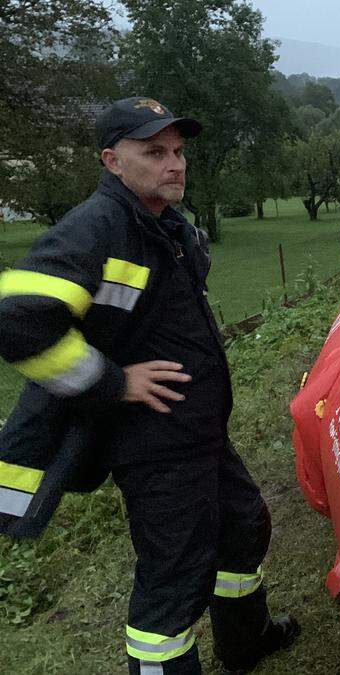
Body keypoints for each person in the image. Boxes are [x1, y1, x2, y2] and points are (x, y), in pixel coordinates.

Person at [0, 97, 297, 674]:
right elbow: (17, 315)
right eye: (155, 152)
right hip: (154, 443)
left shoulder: (161, 224)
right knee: (173, 583)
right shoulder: (100, 225)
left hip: (196, 430)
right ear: (113, 161)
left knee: (243, 526)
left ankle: (245, 642)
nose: (176, 164)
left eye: (180, 151)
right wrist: (110, 383)